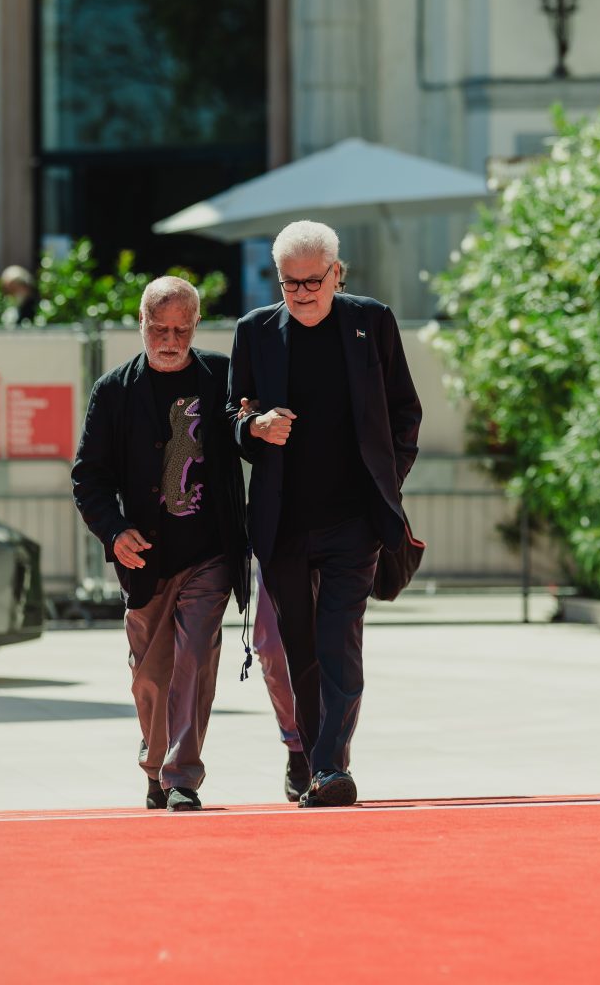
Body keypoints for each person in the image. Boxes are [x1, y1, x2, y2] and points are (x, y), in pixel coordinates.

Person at [228, 220, 422, 807]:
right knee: (297, 646)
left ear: (337, 273)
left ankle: (330, 769)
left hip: (354, 523)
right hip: (283, 523)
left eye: (314, 281)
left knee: (341, 641)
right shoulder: (255, 332)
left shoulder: (373, 322)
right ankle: (311, 758)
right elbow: (230, 421)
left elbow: (404, 414)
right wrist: (254, 428)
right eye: (290, 283)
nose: (303, 293)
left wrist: (387, 483)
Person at [72, 276, 250, 812]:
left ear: (195, 326)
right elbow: (89, 477)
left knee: (195, 657)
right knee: (150, 675)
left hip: (209, 551)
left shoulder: (220, 375)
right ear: (142, 324)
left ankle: (181, 777)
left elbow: (247, 434)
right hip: (145, 556)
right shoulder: (114, 390)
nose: (169, 340)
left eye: (180, 329)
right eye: (159, 328)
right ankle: (155, 762)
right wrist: (114, 530)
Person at [253, 565, 309, 801]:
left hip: (332, 541)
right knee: (271, 649)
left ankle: (331, 754)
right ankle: (296, 742)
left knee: (333, 648)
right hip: (274, 545)